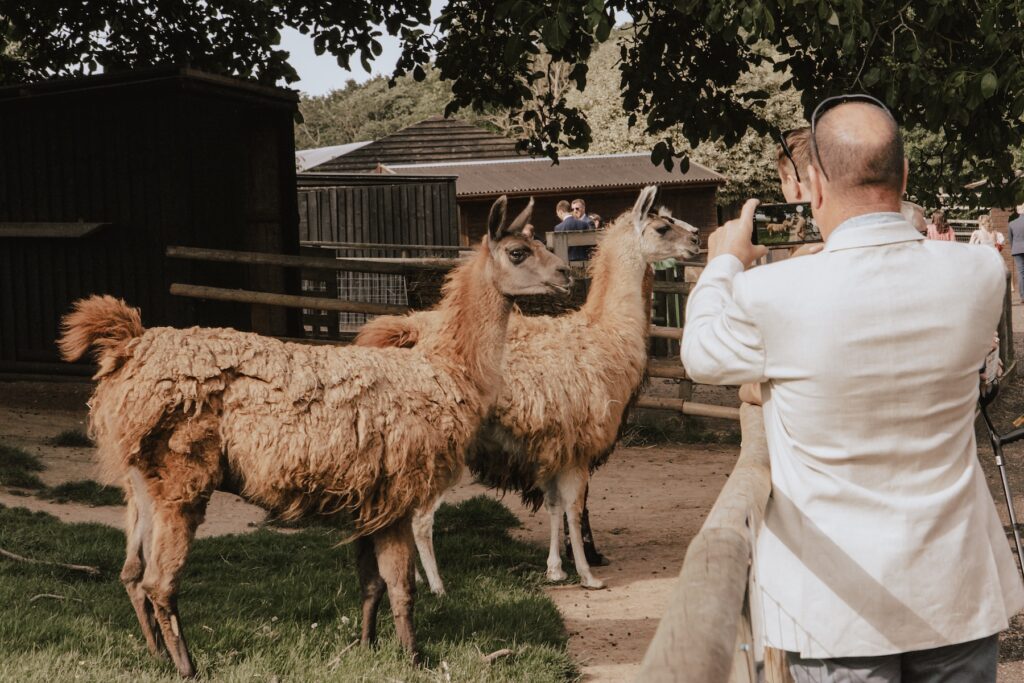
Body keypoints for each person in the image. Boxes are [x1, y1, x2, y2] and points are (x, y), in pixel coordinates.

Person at [682, 95, 1024, 681]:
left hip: (838, 606)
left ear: (812, 183)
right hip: (956, 592)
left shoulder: (776, 294)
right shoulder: (979, 274)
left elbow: (701, 354)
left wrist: (724, 263)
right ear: (905, 174)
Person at [1009, 203, 1024, 301]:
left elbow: (1011, 239)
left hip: (1017, 250)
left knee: (1021, 272)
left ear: (1018, 211)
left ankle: (1023, 296)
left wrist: (1013, 248)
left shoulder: (1011, 223)